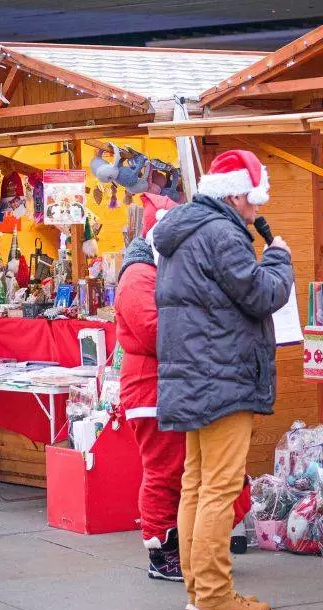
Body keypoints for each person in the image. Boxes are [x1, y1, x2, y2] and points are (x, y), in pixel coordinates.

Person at [152, 149, 293, 610]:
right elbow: (259, 294)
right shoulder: (223, 234)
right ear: (235, 194)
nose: (257, 211)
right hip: (223, 376)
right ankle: (213, 593)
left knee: (196, 484)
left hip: (193, 375)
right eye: (254, 200)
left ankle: (199, 587)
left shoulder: (185, 232)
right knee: (219, 488)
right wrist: (279, 261)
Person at [115, 192, 186, 582]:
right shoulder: (139, 275)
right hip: (149, 390)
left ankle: (180, 543)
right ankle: (161, 550)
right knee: (163, 471)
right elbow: (152, 331)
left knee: (176, 469)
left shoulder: (154, 271)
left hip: (166, 387)